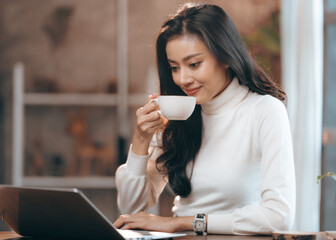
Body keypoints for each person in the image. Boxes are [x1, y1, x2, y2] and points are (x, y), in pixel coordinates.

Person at [113, 2, 295, 235]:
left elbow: (279, 217)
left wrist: (181, 222)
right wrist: (140, 140)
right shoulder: (177, 116)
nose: (183, 79)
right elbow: (131, 209)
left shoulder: (265, 111)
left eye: (194, 64)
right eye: (174, 67)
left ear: (225, 56)